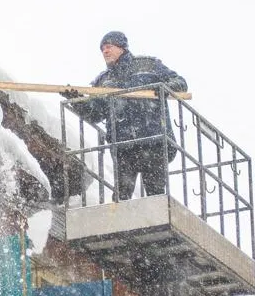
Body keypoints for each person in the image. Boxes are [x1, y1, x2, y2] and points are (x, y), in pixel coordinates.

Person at [76, 31, 187, 200]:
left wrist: (165, 87)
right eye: (102, 49)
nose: (105, 52)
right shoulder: (103, 81)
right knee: (122, 194)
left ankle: (155, 221)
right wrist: (76, 102)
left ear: (121, 47)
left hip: (153, 140)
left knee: (155, 190)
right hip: (123, 145)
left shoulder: (148, 66)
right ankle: (123, 222)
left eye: (109, 47)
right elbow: (94, 113)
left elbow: (180, 83)